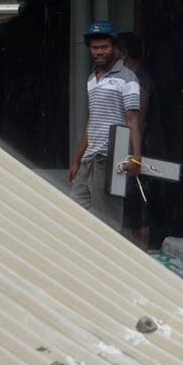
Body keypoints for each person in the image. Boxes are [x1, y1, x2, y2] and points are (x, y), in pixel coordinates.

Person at [67, 21, 142, 234]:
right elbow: (93, 120)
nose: (99, 52)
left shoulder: (127, 78)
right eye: (95, 47)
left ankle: (108, 265)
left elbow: (133, 121)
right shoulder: (92, 78)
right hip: (89, 160)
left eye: (104, 47)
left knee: (106, 224)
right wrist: (77, 159)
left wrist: (136, 158)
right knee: (73, 213)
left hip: (111, 159)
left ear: (115, 49)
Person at [114, 30, 157, 247]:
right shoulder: (126, 79)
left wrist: (133, 154)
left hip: (133, 150)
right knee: (127, 206)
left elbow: (137, 121)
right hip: (125, 149)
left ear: (124, 54)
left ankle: (140, 254)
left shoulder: (139, 81)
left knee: (135, 207)